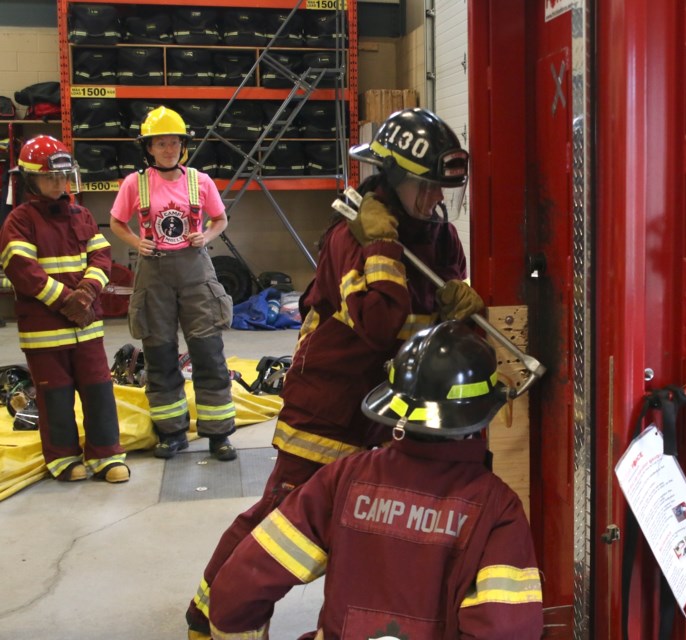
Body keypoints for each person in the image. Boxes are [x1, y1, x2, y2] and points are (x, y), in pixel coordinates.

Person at [186, 107, 485, 635]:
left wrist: (459, 311)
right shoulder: (352, 237)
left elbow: (429, 322)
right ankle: (212, 611)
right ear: (393, 178)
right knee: (283, 520)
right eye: (427, 188)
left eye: (443, 190)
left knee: (358, 523)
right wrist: (384, 247)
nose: (438, 201)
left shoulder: (439, 237)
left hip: (385, 404)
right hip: (327, 404)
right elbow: (379, 322)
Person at [207, 321, 543, 640]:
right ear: (483, 414)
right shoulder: (496, 507)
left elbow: (238, 589)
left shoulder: (343, 478)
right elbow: (504, 630)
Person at [109, 106, 237, 461]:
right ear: (148, 148)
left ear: (183, 146)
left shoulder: (200, 181)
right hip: (154, 275)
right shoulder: (135, 183)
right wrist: (137, 243)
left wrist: (206, 235)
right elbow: (117, 222)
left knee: (208, 354)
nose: (168, 149)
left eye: (174, 142)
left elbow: (221, 219)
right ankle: (172, 433)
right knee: (160, 356)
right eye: (160, 143)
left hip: (196, 272)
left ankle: (219, 435)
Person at [0, 135, 128, 483]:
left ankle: (106, 455)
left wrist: (86, 293)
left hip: (86, 328)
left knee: (99, 389)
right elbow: (24, 272)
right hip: (44, 331)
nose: (59, 183)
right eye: (50, 177)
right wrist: (67, 301)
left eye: (63, 176)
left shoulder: (81, 213)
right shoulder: (19, 221)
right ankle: (63, 459)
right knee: (54, 395)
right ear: (30, 180)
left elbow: (101, 256)